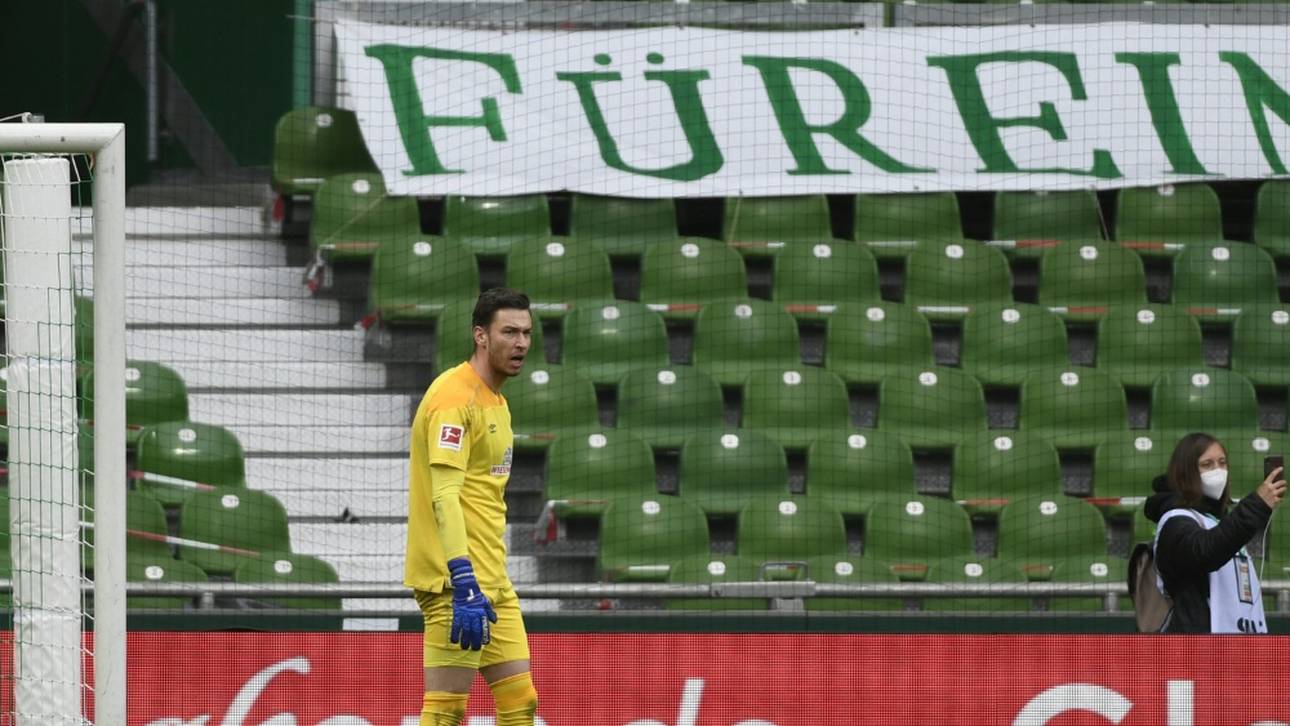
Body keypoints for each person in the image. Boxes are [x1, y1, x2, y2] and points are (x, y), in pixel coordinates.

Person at [405, 288, 538, 725]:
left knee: (521, 704)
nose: (520, 343)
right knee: (445, 712)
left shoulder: (497, 401)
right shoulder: (453, 398)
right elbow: (445, 495)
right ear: (480, 335)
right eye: (509, 332)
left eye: (526, 333)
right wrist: (462, 579)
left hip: (493, 581)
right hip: (454, 582)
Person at [1144, 432, 1286, 633]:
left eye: (1222, 463)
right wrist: (1256, 506)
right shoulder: (1174, 521)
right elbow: (1207, 551)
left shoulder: (1217, 520)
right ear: (1186, 472)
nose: (1218, 471)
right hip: (1195, 652)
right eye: (1207, 464)